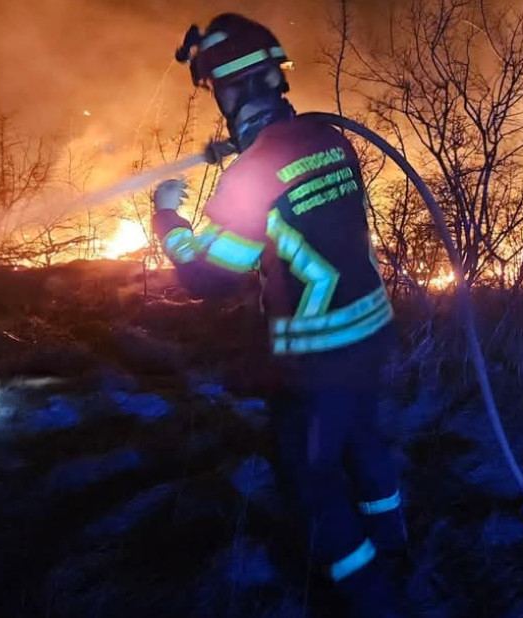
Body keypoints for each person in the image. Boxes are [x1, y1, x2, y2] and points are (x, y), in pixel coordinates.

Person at [151, 13, 408, 617]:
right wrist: (239, 159)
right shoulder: (329, 138)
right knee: (365, 444)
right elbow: (296, 197)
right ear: (275, 79)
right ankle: (395, 551)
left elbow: (207, 277)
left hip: (315, 359)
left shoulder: (253, 172)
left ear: (231, 90)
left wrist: (169, 220)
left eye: (218, 92)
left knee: (313, 482)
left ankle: (372, 600)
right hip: (370, 330)